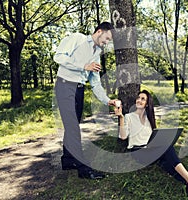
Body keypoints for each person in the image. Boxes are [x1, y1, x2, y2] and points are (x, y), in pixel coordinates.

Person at [114, 90, 188, 199]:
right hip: (138, 153)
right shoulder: (128, 117)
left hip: (150, 150)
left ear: (147, 104)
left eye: (143, 99)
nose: (139, 100)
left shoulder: (149, 118)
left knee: (168, 165)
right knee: (167, 149)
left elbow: (152, 137)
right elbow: (123, 136)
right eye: (138, 98)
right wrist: (121, 117)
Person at [54, 22, 118, 179]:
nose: (107, 42)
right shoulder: (77, 38)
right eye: (107, 38)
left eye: (109, 41)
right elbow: (59, 57)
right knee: (73, 127)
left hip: (79, 89)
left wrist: (107, 100)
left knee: (72, 125)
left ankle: (68, 160)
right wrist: (84, 65)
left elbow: (95, 82)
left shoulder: (96, 54)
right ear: (99, 31)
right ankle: (84, 169)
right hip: (65, 85)